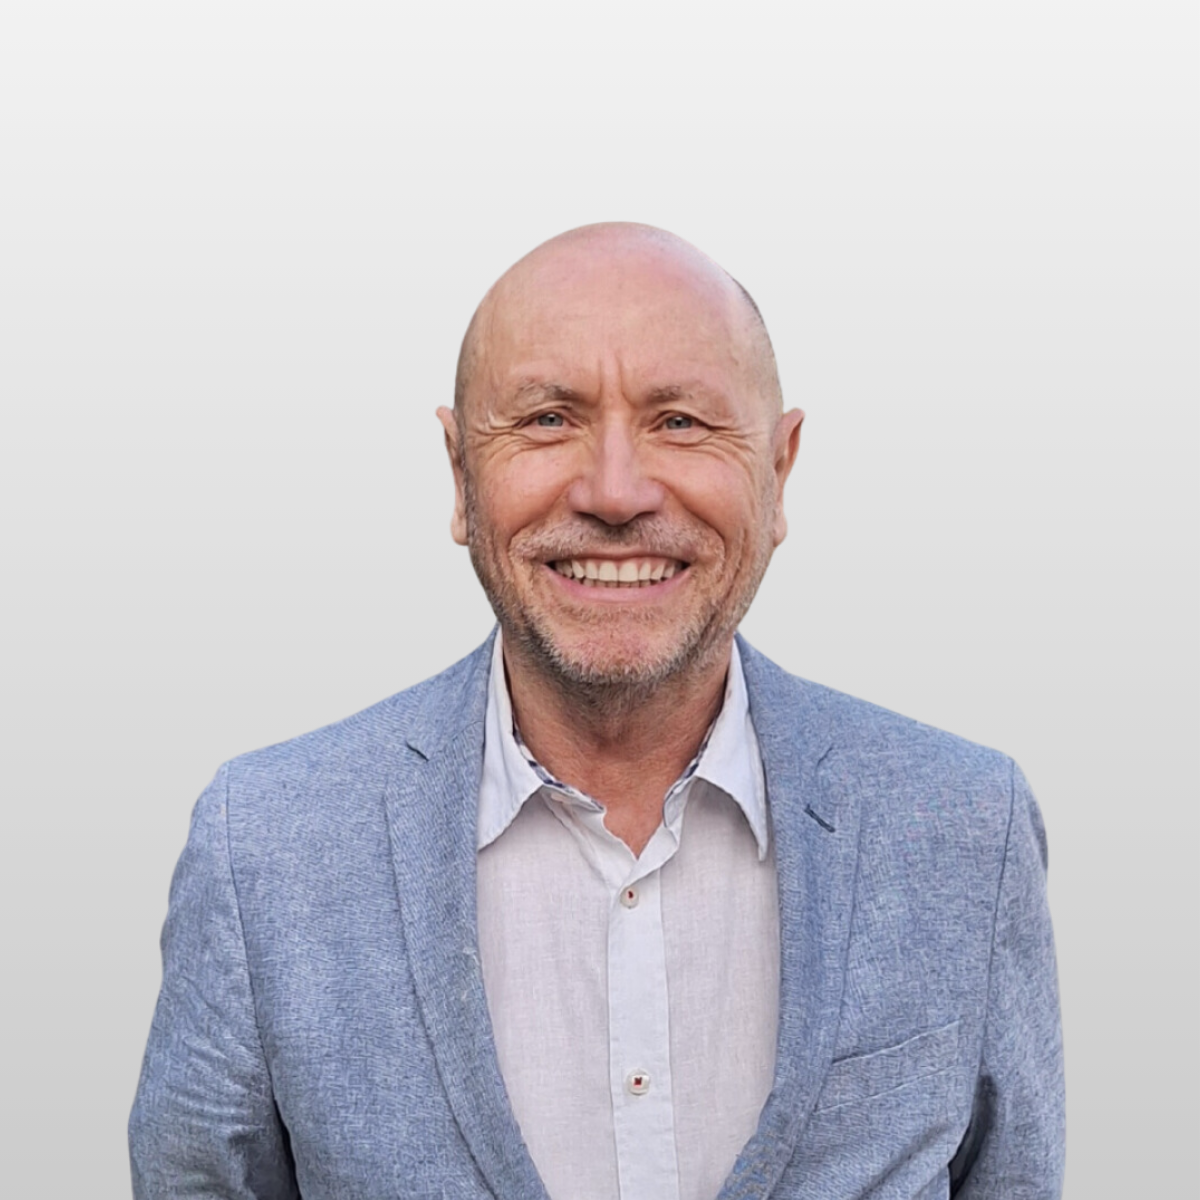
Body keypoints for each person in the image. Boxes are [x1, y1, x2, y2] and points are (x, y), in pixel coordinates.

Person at [129, 223, 1065, 1199]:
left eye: (681, 422)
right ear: (459, 476)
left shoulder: (967, 827)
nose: (615, 492)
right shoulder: (265, 846)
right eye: (547, 419)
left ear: (779, 470)